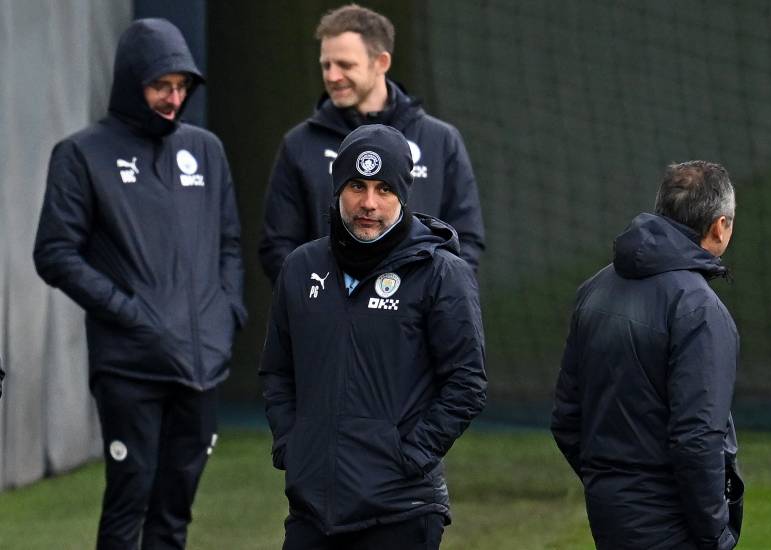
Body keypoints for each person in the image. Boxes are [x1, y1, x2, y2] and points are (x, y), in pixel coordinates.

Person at [33, 19, 246, 549]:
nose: (173, 99)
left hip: (201, 366)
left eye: (181, 87)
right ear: (132, 82)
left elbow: (228, 245)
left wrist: (228, 313)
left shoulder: (207, 151)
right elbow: (54, 253)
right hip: (130, 366)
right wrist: (131, 314)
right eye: (160, 86)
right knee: (131, 500)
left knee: (175, 511)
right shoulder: (81, 155)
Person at [259, 124, 487, 549]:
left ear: (403, 194)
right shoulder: (300, 267)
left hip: (401, 510)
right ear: (336, 189)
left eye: (384, 189)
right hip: (312, 510)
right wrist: (294, 445)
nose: (368, 203)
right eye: (356, 186)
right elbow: (276, 371)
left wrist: (411, 456)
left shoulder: (441, 273)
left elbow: (466, 383)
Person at [551, 160, 744, 550]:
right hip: (673, 523)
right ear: (719, 226)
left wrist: (611, 486)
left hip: (610, 513)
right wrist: (716, 535)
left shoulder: (594, 289)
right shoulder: (698, 309)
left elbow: (566, 419)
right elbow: (698, 438)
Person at [259, 3, 485, 285]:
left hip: (414, 320)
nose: (332, 76)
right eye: (326, 65)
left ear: (381, 62)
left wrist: (433, 298)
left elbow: (466, 238)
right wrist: (314, 301)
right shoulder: (299, 144)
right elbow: (278, 245)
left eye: (345, 65)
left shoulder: (440, 140)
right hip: (328, 322)